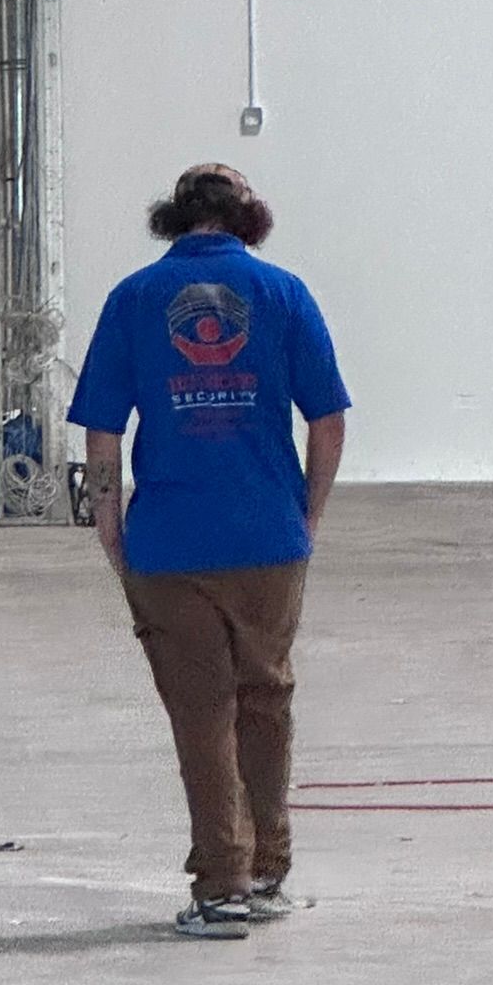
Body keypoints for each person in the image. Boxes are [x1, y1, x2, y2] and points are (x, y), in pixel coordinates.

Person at [69, 163, 350, 941]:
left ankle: (221, 886)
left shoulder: (132, 299)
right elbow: (328, 419)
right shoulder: (285, 294)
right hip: (269, 536)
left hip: (170, 541)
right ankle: (266, 872)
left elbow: (102, 431)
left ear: (174, 217)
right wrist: (308, 517)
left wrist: (108, 522)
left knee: (202, 713)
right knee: (266, 700)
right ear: (247, 218)